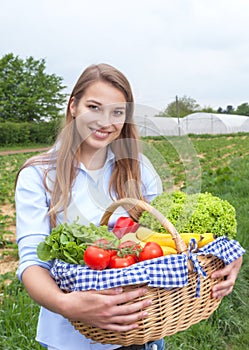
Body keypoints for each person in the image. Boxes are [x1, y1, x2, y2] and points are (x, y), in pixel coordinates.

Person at [15, 63, 242, 350]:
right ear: (73, 106)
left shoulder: (139, 169)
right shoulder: (38, 175)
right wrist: (67, 305)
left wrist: (223, 256)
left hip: (143, 329)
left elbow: (172, 238)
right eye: (94, 107)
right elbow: (32, 263)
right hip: (72, 337)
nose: (105, 121)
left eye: (117, 112)